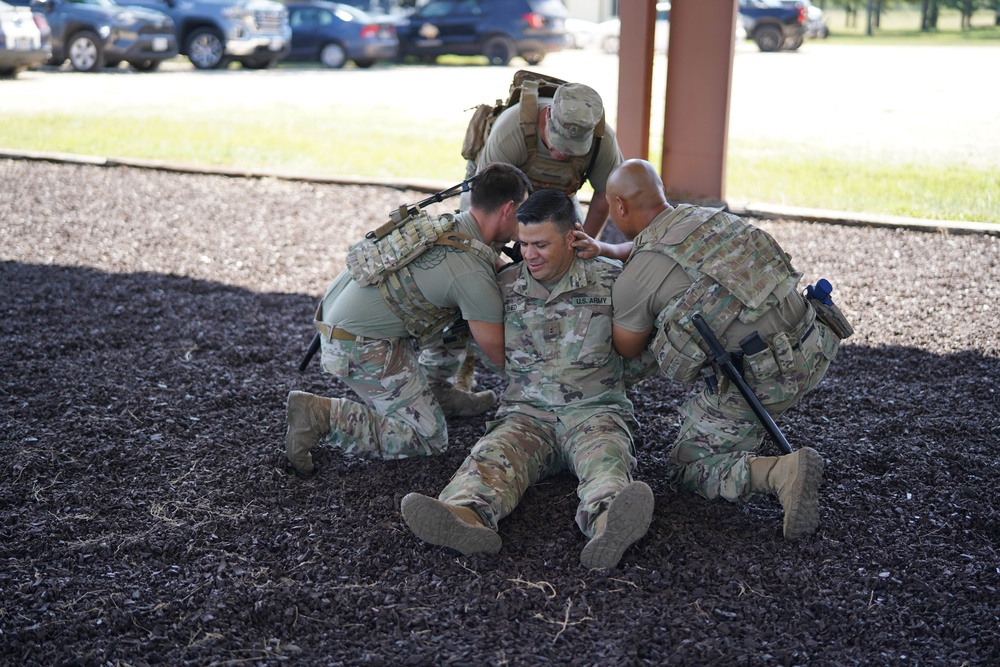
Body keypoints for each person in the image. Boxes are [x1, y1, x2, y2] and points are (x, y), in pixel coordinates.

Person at [401, 189, 654, 569]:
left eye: (541, 244)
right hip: (526, 416)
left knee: (606, 462)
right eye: (523, 244)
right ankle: (464, 518)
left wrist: (611, 384)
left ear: (573, 236)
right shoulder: (503, 287)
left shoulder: (612, 283)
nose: (529, 254)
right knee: (489, 458)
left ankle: (608, 524)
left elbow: (642, 351)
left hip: (593, 413)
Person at [601, 159, 846, 541]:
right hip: (815, 346)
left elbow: (627, 348)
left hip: (763, 382)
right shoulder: (711, 219)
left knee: (686, 468)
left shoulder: (636, 280)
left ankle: (781, 473)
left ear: (618, 207)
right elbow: (664, 251)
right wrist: (610, 250)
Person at [284, 163, 532, 478]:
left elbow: (490, 269)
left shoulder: (451, 225)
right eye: (525, 211)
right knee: (429, 437)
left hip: (339, 320)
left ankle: (436, 392)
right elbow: (499, 355)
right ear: (509, 209)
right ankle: (320, 416)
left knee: (457, 317)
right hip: (357, 346)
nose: (528, 221)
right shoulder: (470, 273)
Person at [463, 81, 623, 240]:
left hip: (560, 192)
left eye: (573, 148)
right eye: (559, 141)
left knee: (567, 247)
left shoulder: (603, 140)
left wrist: (583, 241)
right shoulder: (511, 130)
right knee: (473, 244)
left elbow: (605, 194)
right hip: (496, 190)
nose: (563, 153)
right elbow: (488, 203)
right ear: (547, 115)